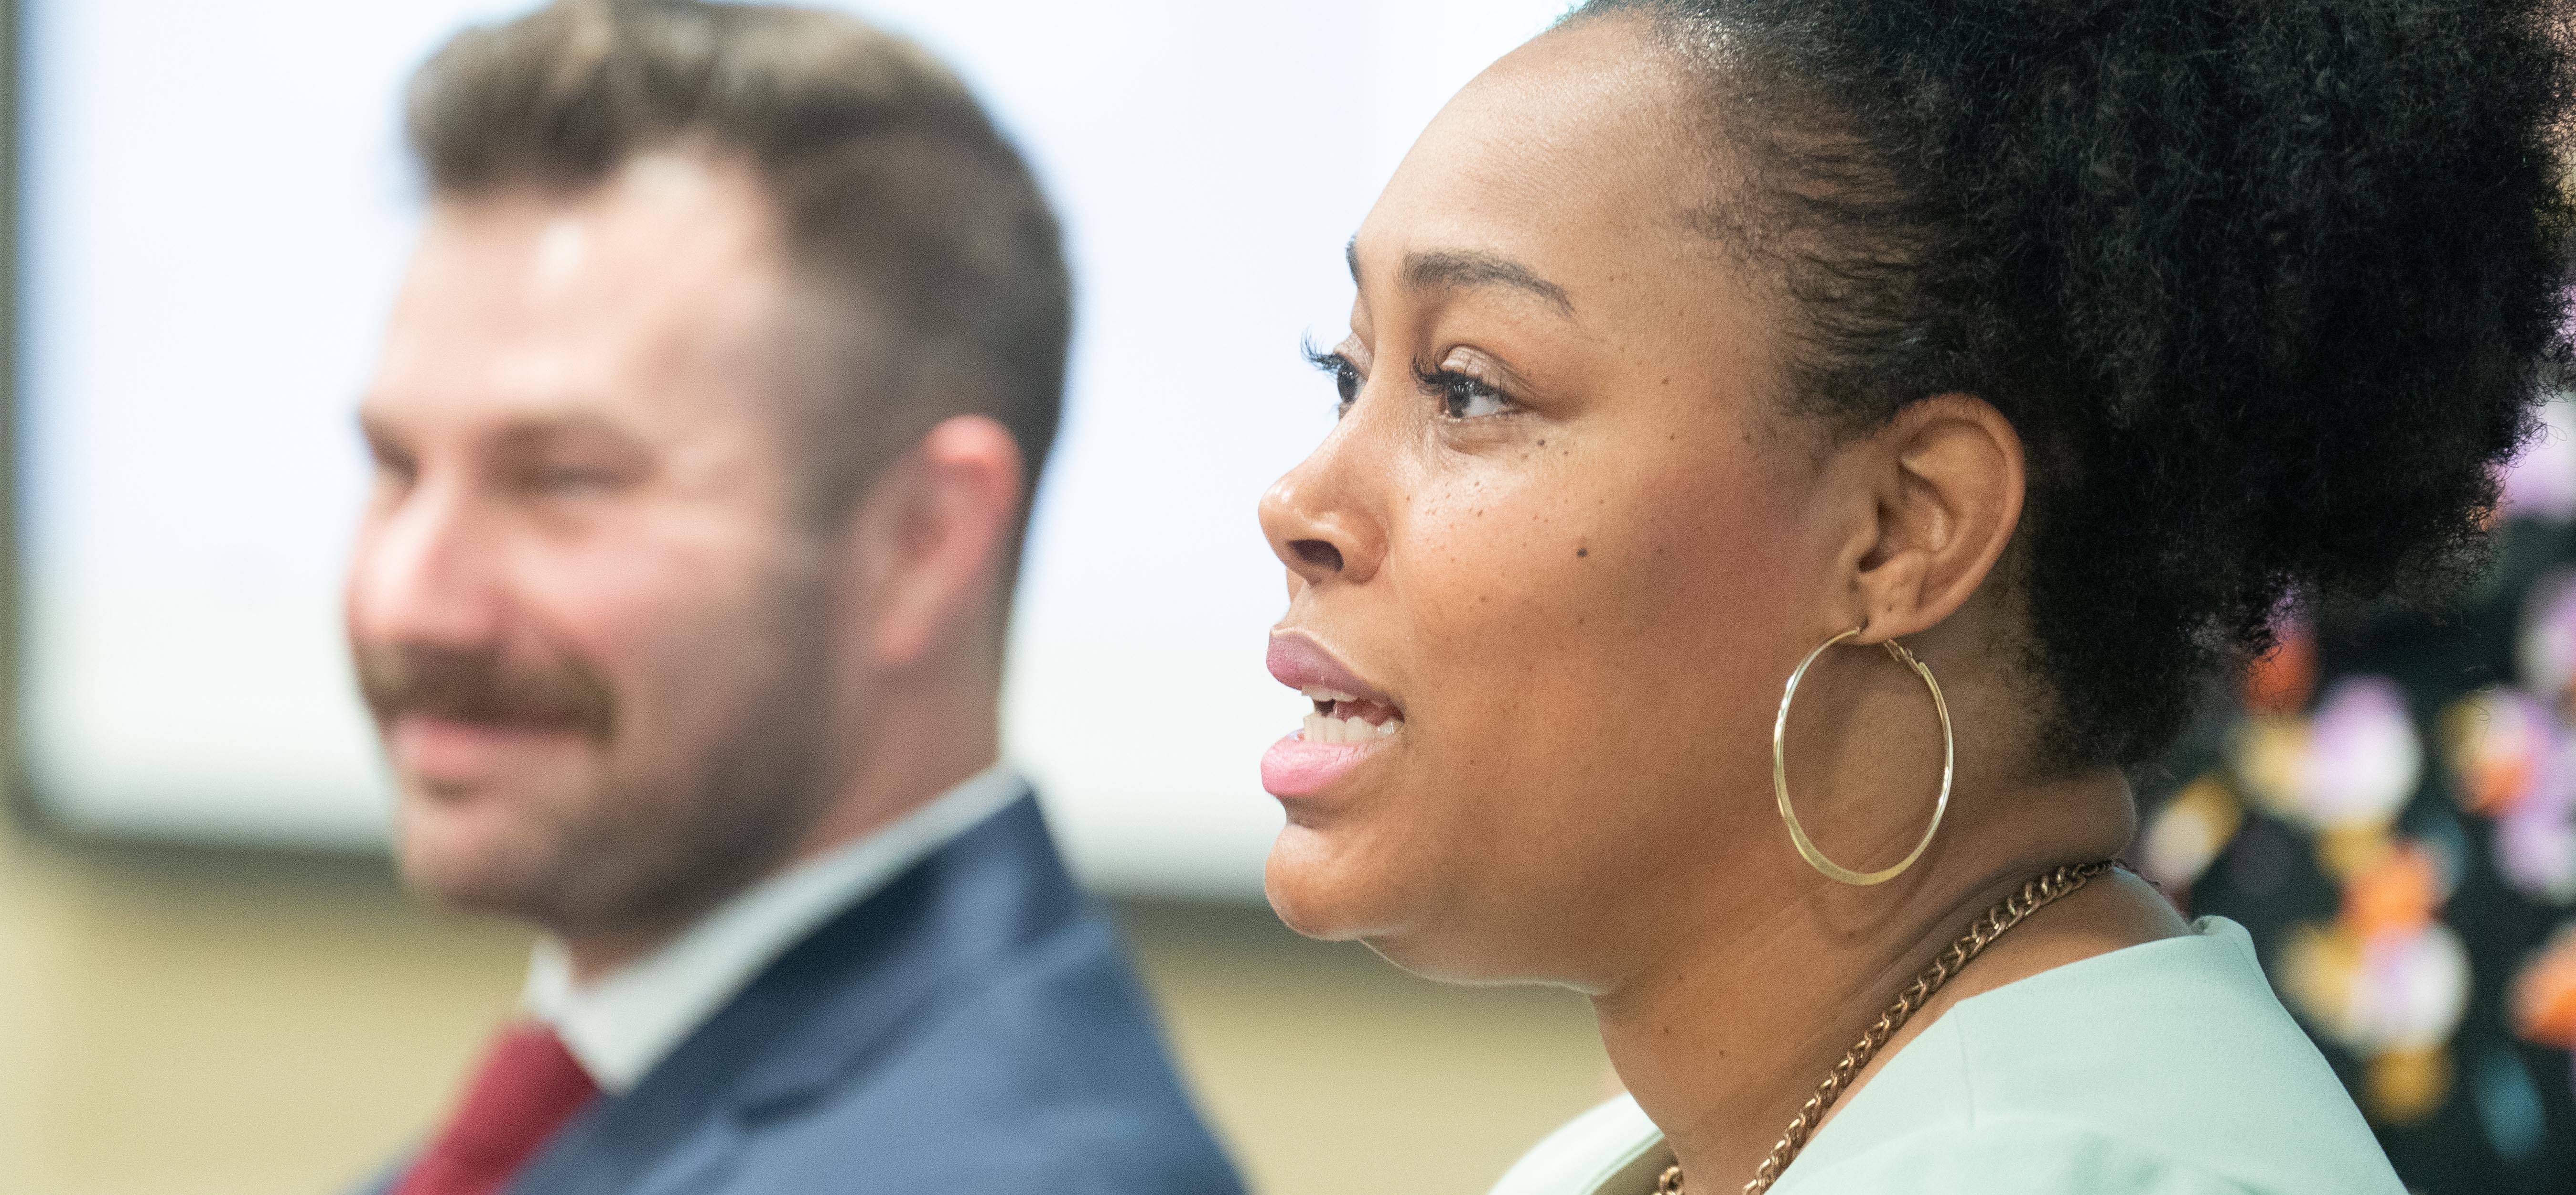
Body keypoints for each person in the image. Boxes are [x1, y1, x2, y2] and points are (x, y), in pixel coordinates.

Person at [1253, 1, 2572, 1193]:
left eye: (1468, 388)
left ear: (1903, 533)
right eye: (1344, 370)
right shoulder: (1631, 1160)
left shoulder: (2071, 1172)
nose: (1300, 502)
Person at [343, 3, 1245, 1193]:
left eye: (564, 481)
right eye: (396, 467)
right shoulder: (612, 1081)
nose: (410, 598)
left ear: (922, 543)